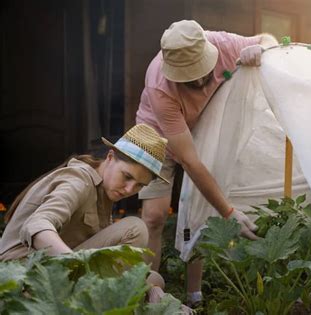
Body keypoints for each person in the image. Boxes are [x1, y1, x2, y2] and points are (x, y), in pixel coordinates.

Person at [135, 19, 278, 305]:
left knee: (196, 208)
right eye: (188, 78)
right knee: (154, 217)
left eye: (201, 72)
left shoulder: (222, 43)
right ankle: (149, 293)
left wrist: (262, 50)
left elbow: (269, 39)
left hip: (203, 127)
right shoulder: (159, 86)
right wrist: (229, 212)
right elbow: (189, 161)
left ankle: (194, 296)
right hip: (153, 133)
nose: (199, 82)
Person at [0, 124, 169, 301]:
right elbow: (37, 224)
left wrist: (155, 289)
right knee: (135, 228)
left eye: (140, 185)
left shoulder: (104, 194)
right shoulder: (79, 180)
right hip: (19, 280)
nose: (129, 190)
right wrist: (76, 263)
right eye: (127, 177)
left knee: (155, 279)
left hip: (51, 271)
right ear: (110, 157)